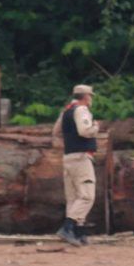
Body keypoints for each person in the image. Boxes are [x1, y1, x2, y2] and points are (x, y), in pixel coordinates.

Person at [52, 84, 99, 246]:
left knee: (74, 197)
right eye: (90, 96)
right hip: (81, 156)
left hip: (69, 157)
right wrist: (95, 128)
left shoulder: (66, 111)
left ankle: (78, 233)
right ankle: (68, 227)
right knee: (86, 195)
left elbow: (56, 132)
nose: (91, 99)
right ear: (86, 96)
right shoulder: (81, 110)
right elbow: (84, 131)